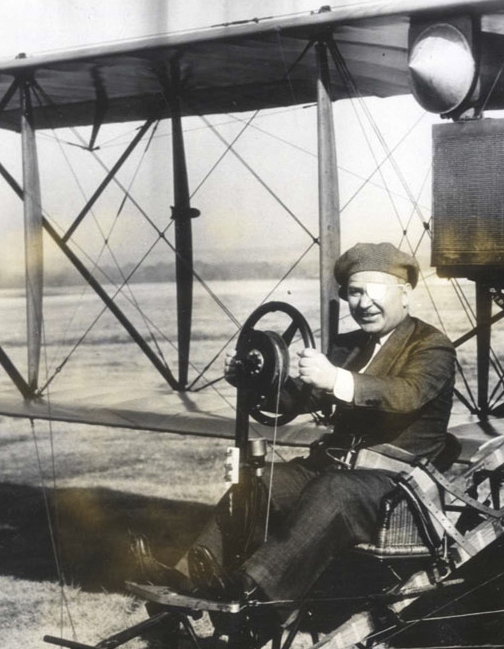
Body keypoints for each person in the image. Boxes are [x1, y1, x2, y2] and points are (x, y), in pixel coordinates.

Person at [132, 241, 457, 607]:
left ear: (405, 293)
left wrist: (335, 378)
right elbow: (297, 400)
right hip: (335, 471)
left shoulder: (432, 346)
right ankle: (186, 579)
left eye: (374, 291)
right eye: (354, 292)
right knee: (260, 482)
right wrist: (255, 376)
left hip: (395, 487)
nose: (363, 303)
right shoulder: (348, 346)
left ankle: (248, 588)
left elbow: (406, 394)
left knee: (334, 489)